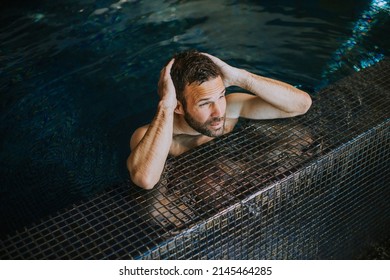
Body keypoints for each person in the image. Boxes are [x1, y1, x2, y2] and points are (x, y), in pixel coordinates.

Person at [127, 50, 312, 189]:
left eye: (221, 96)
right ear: (178, 106)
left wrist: (242, 78)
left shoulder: (230, 108)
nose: (218, 112)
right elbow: (146, 180)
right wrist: (165, 106)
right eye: (205, 103)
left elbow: (301, 105)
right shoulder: (149, 136)